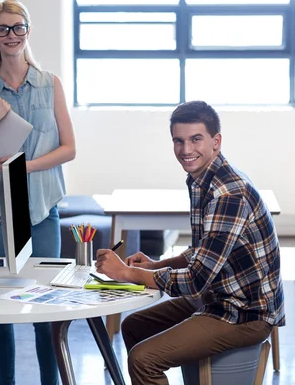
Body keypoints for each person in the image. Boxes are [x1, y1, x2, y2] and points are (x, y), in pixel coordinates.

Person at [95, 101, 285, 385]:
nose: (186, 150)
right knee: (134, 326)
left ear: (216, 141)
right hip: (218, 296)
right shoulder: (200, 181)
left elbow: (196, 279)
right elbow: (202, 252)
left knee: (143, 359)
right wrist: (156, 265)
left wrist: (127, 273)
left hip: (246, 312)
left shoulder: (228, 194)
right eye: (179, 141)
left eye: (196, 139)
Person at [0, 0, 76, 385]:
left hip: (41, 206)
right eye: (3, 29)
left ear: (28, 31)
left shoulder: (50, 83)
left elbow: (68, 149)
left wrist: (23, 166)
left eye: (18, 27)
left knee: (45, 306)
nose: (11, 35)